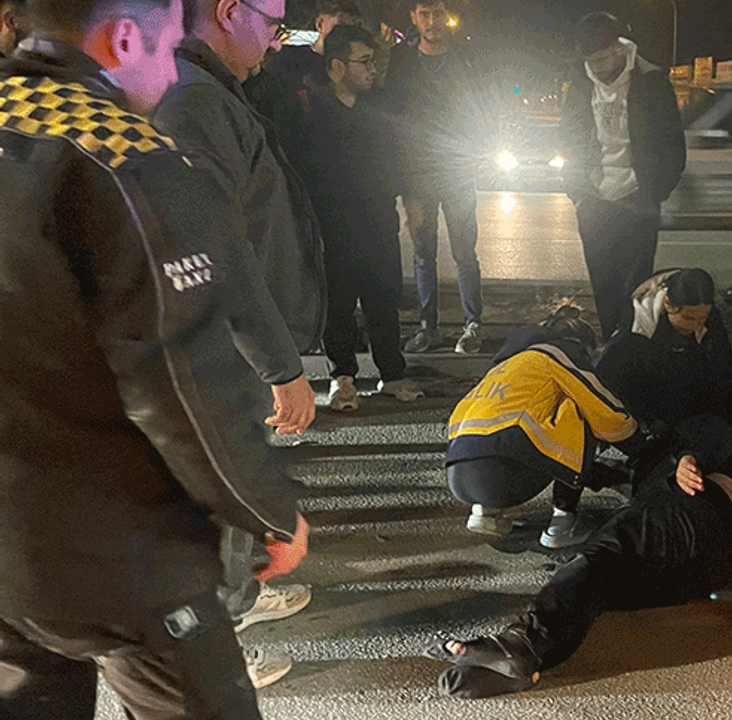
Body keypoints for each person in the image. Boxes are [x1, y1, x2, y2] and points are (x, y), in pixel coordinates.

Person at [0, 0, 311, 712]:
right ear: (124, 38)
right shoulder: (127, 159)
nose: (172, 73)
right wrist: (264, 511)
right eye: (168, 46)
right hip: (118, 549)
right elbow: (177, 382)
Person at [152, 0, 331, 685]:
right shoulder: (194, 101)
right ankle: (213, 651)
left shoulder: (207, 90)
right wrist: (279, 366)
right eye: (273, 23)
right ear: (230, 11)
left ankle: (238, 600)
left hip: (223, 343)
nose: (278, 41)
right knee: (214, 495)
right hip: (220, 347)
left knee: (222, 492)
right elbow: (217, 252)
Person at [436, 465, 732, 699]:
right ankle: (531, 663)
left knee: (598, 561)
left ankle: (525, 643)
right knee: (597, 585)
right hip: (708, 574)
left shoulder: (680, 442)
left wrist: (689, 455)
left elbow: (712, 434)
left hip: (700, 508)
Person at [278, 24, 423, 413]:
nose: (372, 70)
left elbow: (401, 156)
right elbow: (293, 167)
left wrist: (411, 198)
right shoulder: (307, 107)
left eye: (373, 61)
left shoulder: (380, 106)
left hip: (377, 220)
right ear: (337, 66)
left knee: (383, 297)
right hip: (330, 224)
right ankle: (342, 377)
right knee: (338, 304)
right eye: (364, 61)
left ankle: (392, 373)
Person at [447, 305, 642, 548]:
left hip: (458, 477)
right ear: (581, 344)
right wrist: (640, 447)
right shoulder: (561, 353)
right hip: (505, 476)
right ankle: (562, 523)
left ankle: (485, 513)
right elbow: (604, 410)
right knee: (581, 406)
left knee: (511, 433)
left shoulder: (508, 364)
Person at [561, 11, 686, 340]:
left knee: (637, 286)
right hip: (594, 199)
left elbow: (672, 141)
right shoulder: (581, 83)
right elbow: (568, 137)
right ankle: (611, 344)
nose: (598, 67)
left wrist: (655, 191)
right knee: (603, 283)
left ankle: (634, 346)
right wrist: (578, 190)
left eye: (602, 58)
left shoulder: (650, 80)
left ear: (619, 47)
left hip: (638, 198)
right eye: (591, 61)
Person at [597, 269, 732, 487]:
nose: (695, 325)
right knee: (694, 432)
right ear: (667, 303)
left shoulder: (707, 318)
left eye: (702, 318)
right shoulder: (637, 331)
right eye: (687, 318)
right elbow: (609, 383)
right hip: (653, 402)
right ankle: (662, 456)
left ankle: (698, 443)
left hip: (694, 389)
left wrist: (712, 410)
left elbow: (724, 372)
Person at [388, 0, 488, 355]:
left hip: (457, 170)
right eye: (424, 14)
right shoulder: (401, 61)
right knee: (422, 253)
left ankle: (472, 324)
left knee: (464, 251)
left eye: (437, 13)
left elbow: (482, 106)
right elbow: (394, 116)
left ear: (447, 15)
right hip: (418, 173)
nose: (431, 21)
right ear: (414, 17)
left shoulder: (466, 58)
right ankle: (428, 326)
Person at [243, 0, 360, 121]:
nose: (347, 34)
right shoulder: (287, 58)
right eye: (340, 25)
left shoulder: (355, 70)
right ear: (320, 24)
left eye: (354, 28)